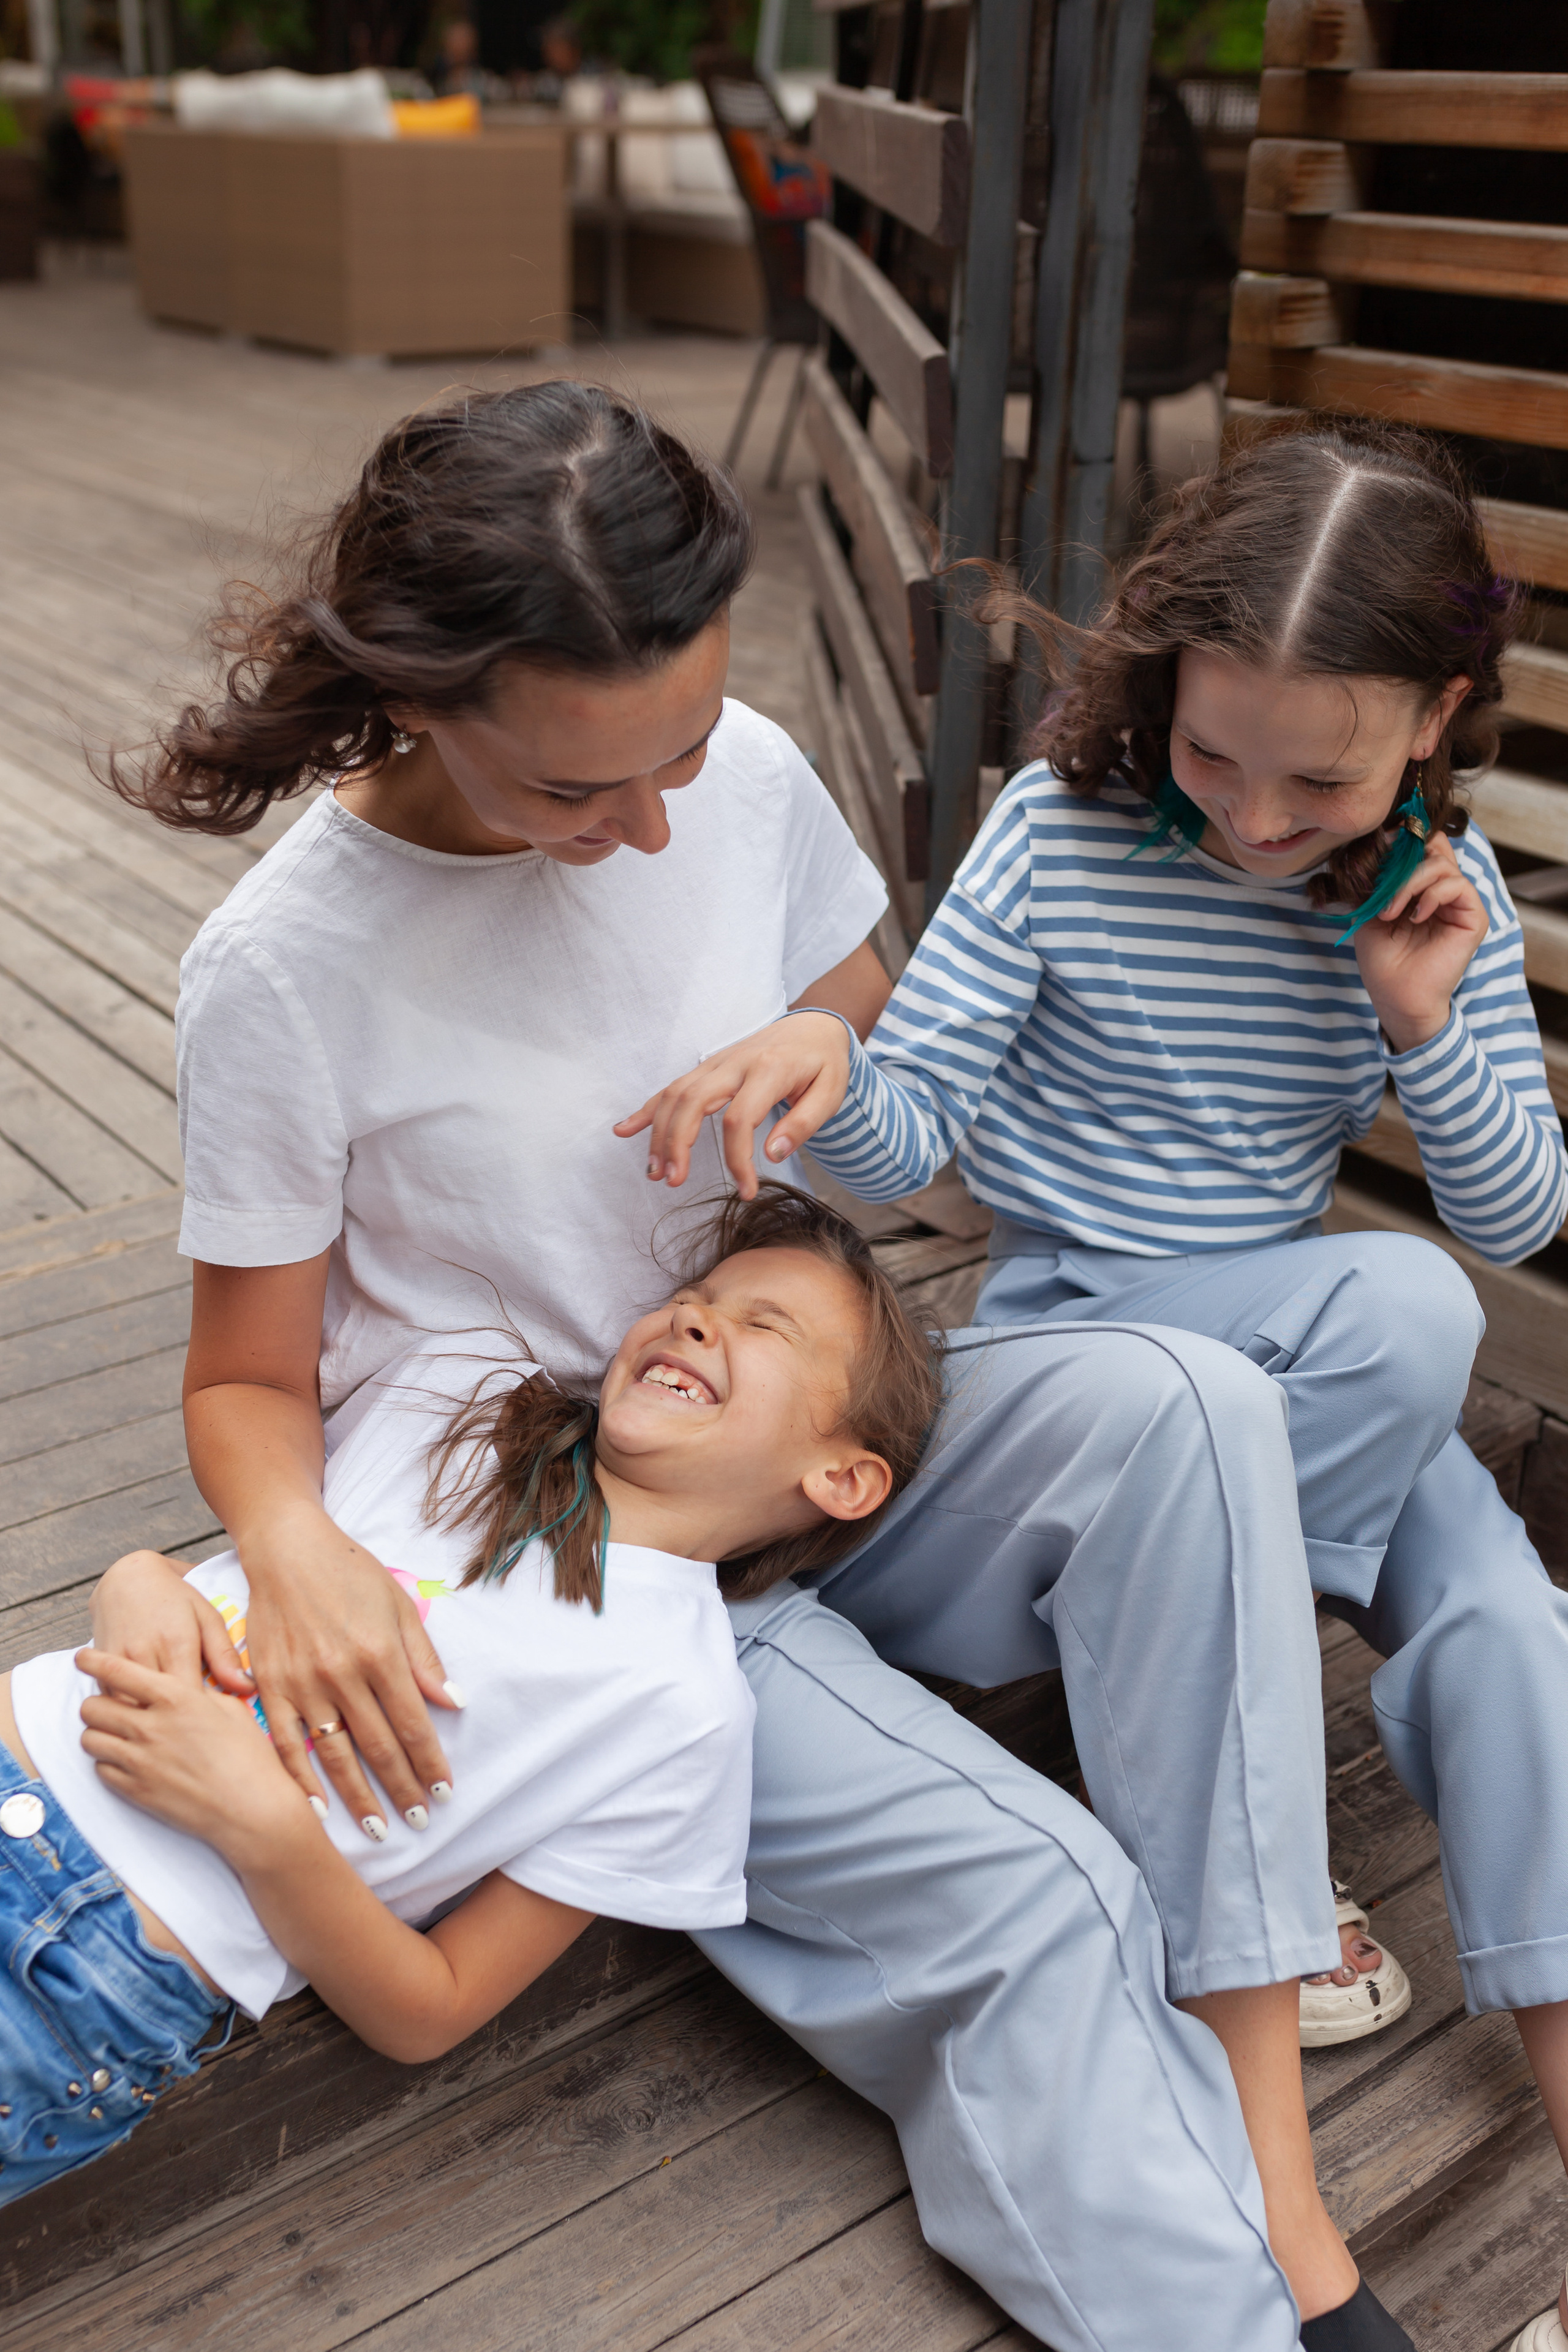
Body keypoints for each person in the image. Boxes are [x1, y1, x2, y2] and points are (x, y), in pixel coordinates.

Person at [113, 378, 1403, 2348]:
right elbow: (243, 1382)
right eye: (573, 792)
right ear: (414, 695)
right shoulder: (288, 970)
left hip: (819, 1415)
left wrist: (838, 1065)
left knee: (1187, 1402)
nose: (650, 828)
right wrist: (287, 1552)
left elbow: (858, 1027)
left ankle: (1266, 2102)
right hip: (594, 1532)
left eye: (684, 753)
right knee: (1036, 1897)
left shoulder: (740, 778)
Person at [627, 419, 1568, 2352]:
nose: (1254, 814)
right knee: (1395, 1315)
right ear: (1163, 682)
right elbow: (915, 1128)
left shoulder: (1437, 889)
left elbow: (1524, 1206)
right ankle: (1246, 1856)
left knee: (1509, 1610)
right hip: (1066, 1353)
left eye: (1322, 776)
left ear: (1440, 716)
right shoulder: (1061, 828)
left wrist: (1421, 1028)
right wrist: (829, 1071)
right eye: (1216, 753)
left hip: (1299, 1352)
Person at [0, 1189, 938, 2204]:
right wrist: (135, 1580)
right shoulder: (450, 1401)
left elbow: (429, 2012)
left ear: (843, 1478)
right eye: (695, 1295)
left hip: (87, 1970)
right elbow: (239, 1563)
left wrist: (263, 1825)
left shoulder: (683, 1712)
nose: (694, 1317)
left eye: (766, 1327)